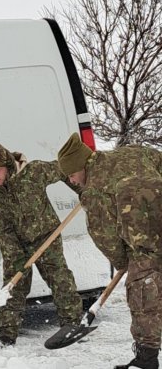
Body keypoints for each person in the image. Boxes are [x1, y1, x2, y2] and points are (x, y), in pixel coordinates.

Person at [58, 133, 162, 369]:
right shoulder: (133, 152)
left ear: (82, 166)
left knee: (143, 294)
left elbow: (105, 237)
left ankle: (145, 361)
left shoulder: (93, 192)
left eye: (72, 175)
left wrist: (124, 263)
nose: (72, 181)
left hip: (145, 244)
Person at [0, 142, 82, 347]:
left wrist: (82, 191)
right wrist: (17, 258)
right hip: (15, 244)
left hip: (46, 236)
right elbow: (3, 231)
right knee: (13, 286)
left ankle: (73, 323)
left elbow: (64, 169)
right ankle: (6, 334)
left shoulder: (34, 172)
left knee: (59, 278)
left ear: (7, 164)